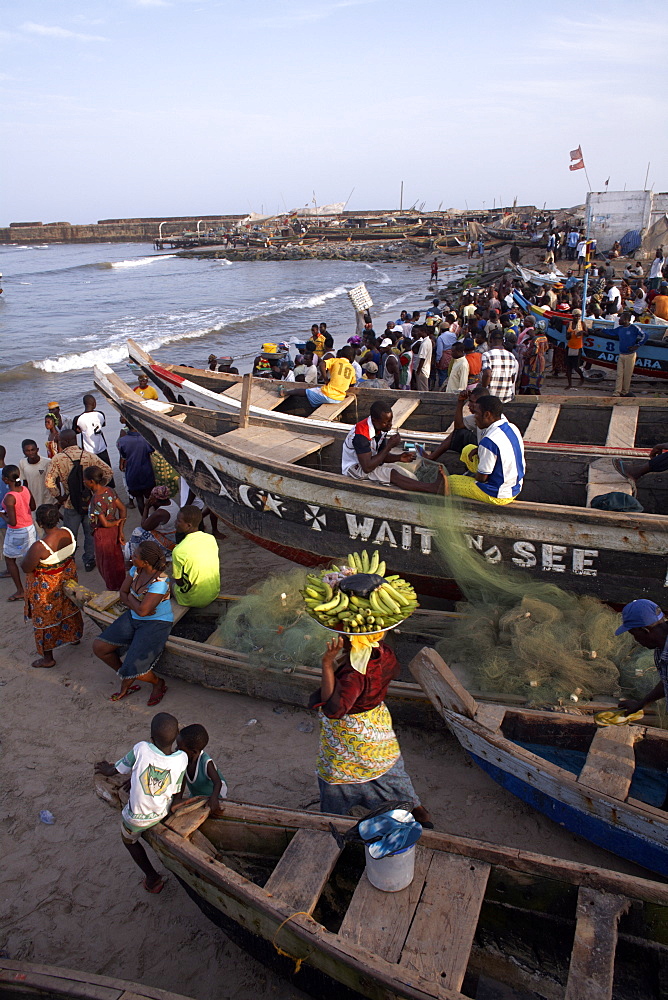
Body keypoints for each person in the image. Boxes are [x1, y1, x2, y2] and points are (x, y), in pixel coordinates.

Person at [309, 634, 431, 824]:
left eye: (342, 635)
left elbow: (335, 708)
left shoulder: (354, 675)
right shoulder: (383, 652)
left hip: (350, 735)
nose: (338, 637)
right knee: (390, 772)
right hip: (376, 728)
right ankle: (417, 809)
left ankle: (333, 820)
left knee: (338, 779)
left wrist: (326, 663)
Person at [94, 713, 187, 893]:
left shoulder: (142, 748)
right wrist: (176, 801)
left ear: (151, 738)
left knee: (129, 841)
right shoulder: (181, 758)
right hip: (162, 812)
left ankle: (152, 877)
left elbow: (118, 769)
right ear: (176, 736)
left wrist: (107, 770)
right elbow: (177, 785)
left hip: (136, 819)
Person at [92, 540, 171, 704]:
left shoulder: (161, 583)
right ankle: (125, 674)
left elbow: (143, 610)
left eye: (135, 556)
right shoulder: (136, 569)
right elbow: (123, 593)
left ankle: (158, 683)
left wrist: (132, 599)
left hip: (156, 623)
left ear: (146, 562)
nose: (131, 557)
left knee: (137, 670)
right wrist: (134, 601)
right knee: (100, 647)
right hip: (135, 616)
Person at [21, 504, 84, 668]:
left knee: (46, 619)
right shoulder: (68, 533)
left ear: (40, 523)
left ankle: (48, 658)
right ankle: (74, 637)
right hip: (67, 582)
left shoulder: (39, 547)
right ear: (57, 518)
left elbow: (26, 567)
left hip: (47, 589)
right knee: (70, 608)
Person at [45, 429, 113, 572]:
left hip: (70, 502)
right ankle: (89, 560)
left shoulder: (57, 459)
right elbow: (108, 471)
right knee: (89, 532)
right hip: (90, 501)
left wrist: (59, 497)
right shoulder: (88, 455)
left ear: (64, 442)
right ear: (75, 440)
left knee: (70, 534)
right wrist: (98, 489)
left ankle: (70, 560)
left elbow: (49, 482)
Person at [445, 395, 524, 504]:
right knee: (468, 449)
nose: (474, 417)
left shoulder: (489, 441)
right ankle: (478, 472)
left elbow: (481, 479)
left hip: (498, 494)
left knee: (449, 481)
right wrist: (479, 450)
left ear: (487, 414)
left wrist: (474, 478)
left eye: (476, 413)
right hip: (515, 486)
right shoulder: (512, 427)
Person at [84, 467, 127, 590]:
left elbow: (105, 523)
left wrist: (115, 523)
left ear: (91, 481)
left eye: (85, 480)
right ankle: (122, 587)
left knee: (106, 564)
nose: (84, 482)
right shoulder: (109, 491)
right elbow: (123, 508)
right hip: (114, 531)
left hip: (103, 534)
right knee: (117, 560)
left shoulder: (96, 499)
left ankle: (114, 589)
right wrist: (120, 528)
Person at [171, 505, 220, 608]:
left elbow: (179, 582)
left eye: (179, 521)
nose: (175, 523)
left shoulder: (179, 550)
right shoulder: (210, 538)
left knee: (168, 583)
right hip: (213, 594)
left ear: (188, 525)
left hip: (192, 599)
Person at [174, 724, 227, 815]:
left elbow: (217, 782)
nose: (176, 749)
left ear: (193, 752)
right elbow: (182, 780)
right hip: (197, 793)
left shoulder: (206, 762)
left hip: (215, 793)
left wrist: (214, 798)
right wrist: (177, 799)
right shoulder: (184, 759)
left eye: (180, 748)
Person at [426, 386, 488, 461]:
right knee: (459, 433)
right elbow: (458, 427)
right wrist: (460, 401)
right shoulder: (477, 416)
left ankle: (432, 457)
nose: (469, 405)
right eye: (469, 401)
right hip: (482, 448)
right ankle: (432, 457)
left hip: (488, 453)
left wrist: (480, 450)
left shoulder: (494, 420)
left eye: (472, 402)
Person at [282, 346, 357, 408]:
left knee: (306, 391)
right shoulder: (352, 369)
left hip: (328, 395)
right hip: (339, 398)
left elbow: (322, 364)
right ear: (351, 357)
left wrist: (325, 378)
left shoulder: (335, 360)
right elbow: (352, 384)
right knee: (317, 392)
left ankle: (286, 392)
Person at [2, 465, 36, 601]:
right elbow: (32, 506)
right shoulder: (25, 490)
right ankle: (35, 587)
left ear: (5, 480)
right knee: (32, 559)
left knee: (10, 559)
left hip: (17, 531)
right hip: (29, 527)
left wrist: (1, 515)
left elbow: (12, 522)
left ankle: (20, 591)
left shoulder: (9, 497)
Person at [117, 425, 156, 515]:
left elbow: (123, 455)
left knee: (139, 499)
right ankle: (156, 518)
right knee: (152, 497)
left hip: (132, 473)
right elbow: (152, 450)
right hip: (147, 472)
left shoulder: (122, 441)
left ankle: (144, 518)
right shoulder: (145, 438)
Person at [614, 311, 649, 397]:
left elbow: (645, 335)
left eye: (621, 318)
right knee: (619, 374)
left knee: (627, 375)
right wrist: (601, 330)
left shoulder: (634, 328)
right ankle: (617, 392)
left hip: (630, 355)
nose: (619, 320)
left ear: (626, 320)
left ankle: (625, 391)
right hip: (621, 354)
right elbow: (610, 331)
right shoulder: (620, 329)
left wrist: (637, 345)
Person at [73, 394, 112, 468]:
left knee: (91, 473)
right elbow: (102, 424)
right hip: (102, 448)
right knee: (107, 471)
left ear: (84, 404)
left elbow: (75, 432)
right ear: (94, 403)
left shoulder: (78, 419)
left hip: (88, 451)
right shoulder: (100, 414)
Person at [480, 332, 519, 402]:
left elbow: (487, 374)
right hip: (507, 397)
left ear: (491, 340)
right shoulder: (511, 356)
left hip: (491, 397)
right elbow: (513, 378)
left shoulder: (487, 355)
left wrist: (483, 389)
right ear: (502, 341)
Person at [19, 439, 55, 510]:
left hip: (47, 500)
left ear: (37, 449)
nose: (31, 453)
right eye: (27, 451)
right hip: (33, 501)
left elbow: (55, 481)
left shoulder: (47, 462)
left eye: (33, 450)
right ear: (24, 452)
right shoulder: (22, 463)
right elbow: (25, 482)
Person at [519, 322, 548, 395]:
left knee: (528, 377)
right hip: (541, 359)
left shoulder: (536, 339)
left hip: (534, 360)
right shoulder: (544, 338)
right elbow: (546, 348)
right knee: (539, 375)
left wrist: (524, 354)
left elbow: (533, 351)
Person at [565, 309, 586, 389]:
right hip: (570, 347)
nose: (577, 318)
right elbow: (566, 337)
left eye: (579, 316)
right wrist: (570, 335)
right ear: (573, 316)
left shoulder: (582, 324)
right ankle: (569, 384)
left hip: (578, 347)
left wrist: (582, 332)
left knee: (576, 366)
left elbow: (587, 333)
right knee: (568, 367)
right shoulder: (569, 324)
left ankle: (582, 377)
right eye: (576, 316)